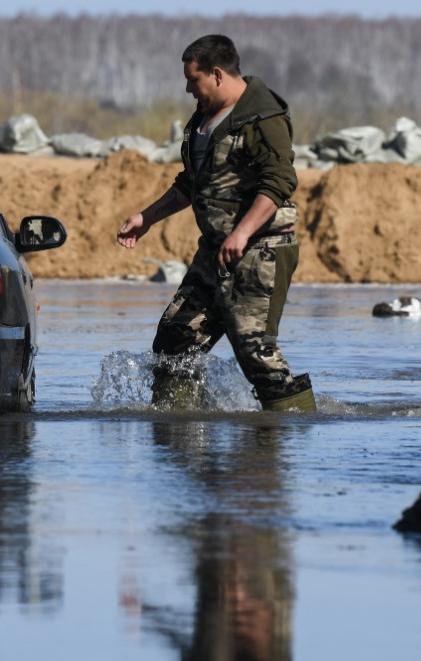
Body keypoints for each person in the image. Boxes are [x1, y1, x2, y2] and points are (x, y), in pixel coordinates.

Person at [117, 34, 315, 411]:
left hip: (261, 248)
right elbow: (191, 184)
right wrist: (147, 218)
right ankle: (180, 429)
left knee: (255, 350)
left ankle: (290, 430)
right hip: (215, 250)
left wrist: (241, 233)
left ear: (218, 74)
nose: (188, 88)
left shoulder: (262, 116)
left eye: (194, 79)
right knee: (175, 340)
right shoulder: (205, 121)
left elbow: (279, 182)